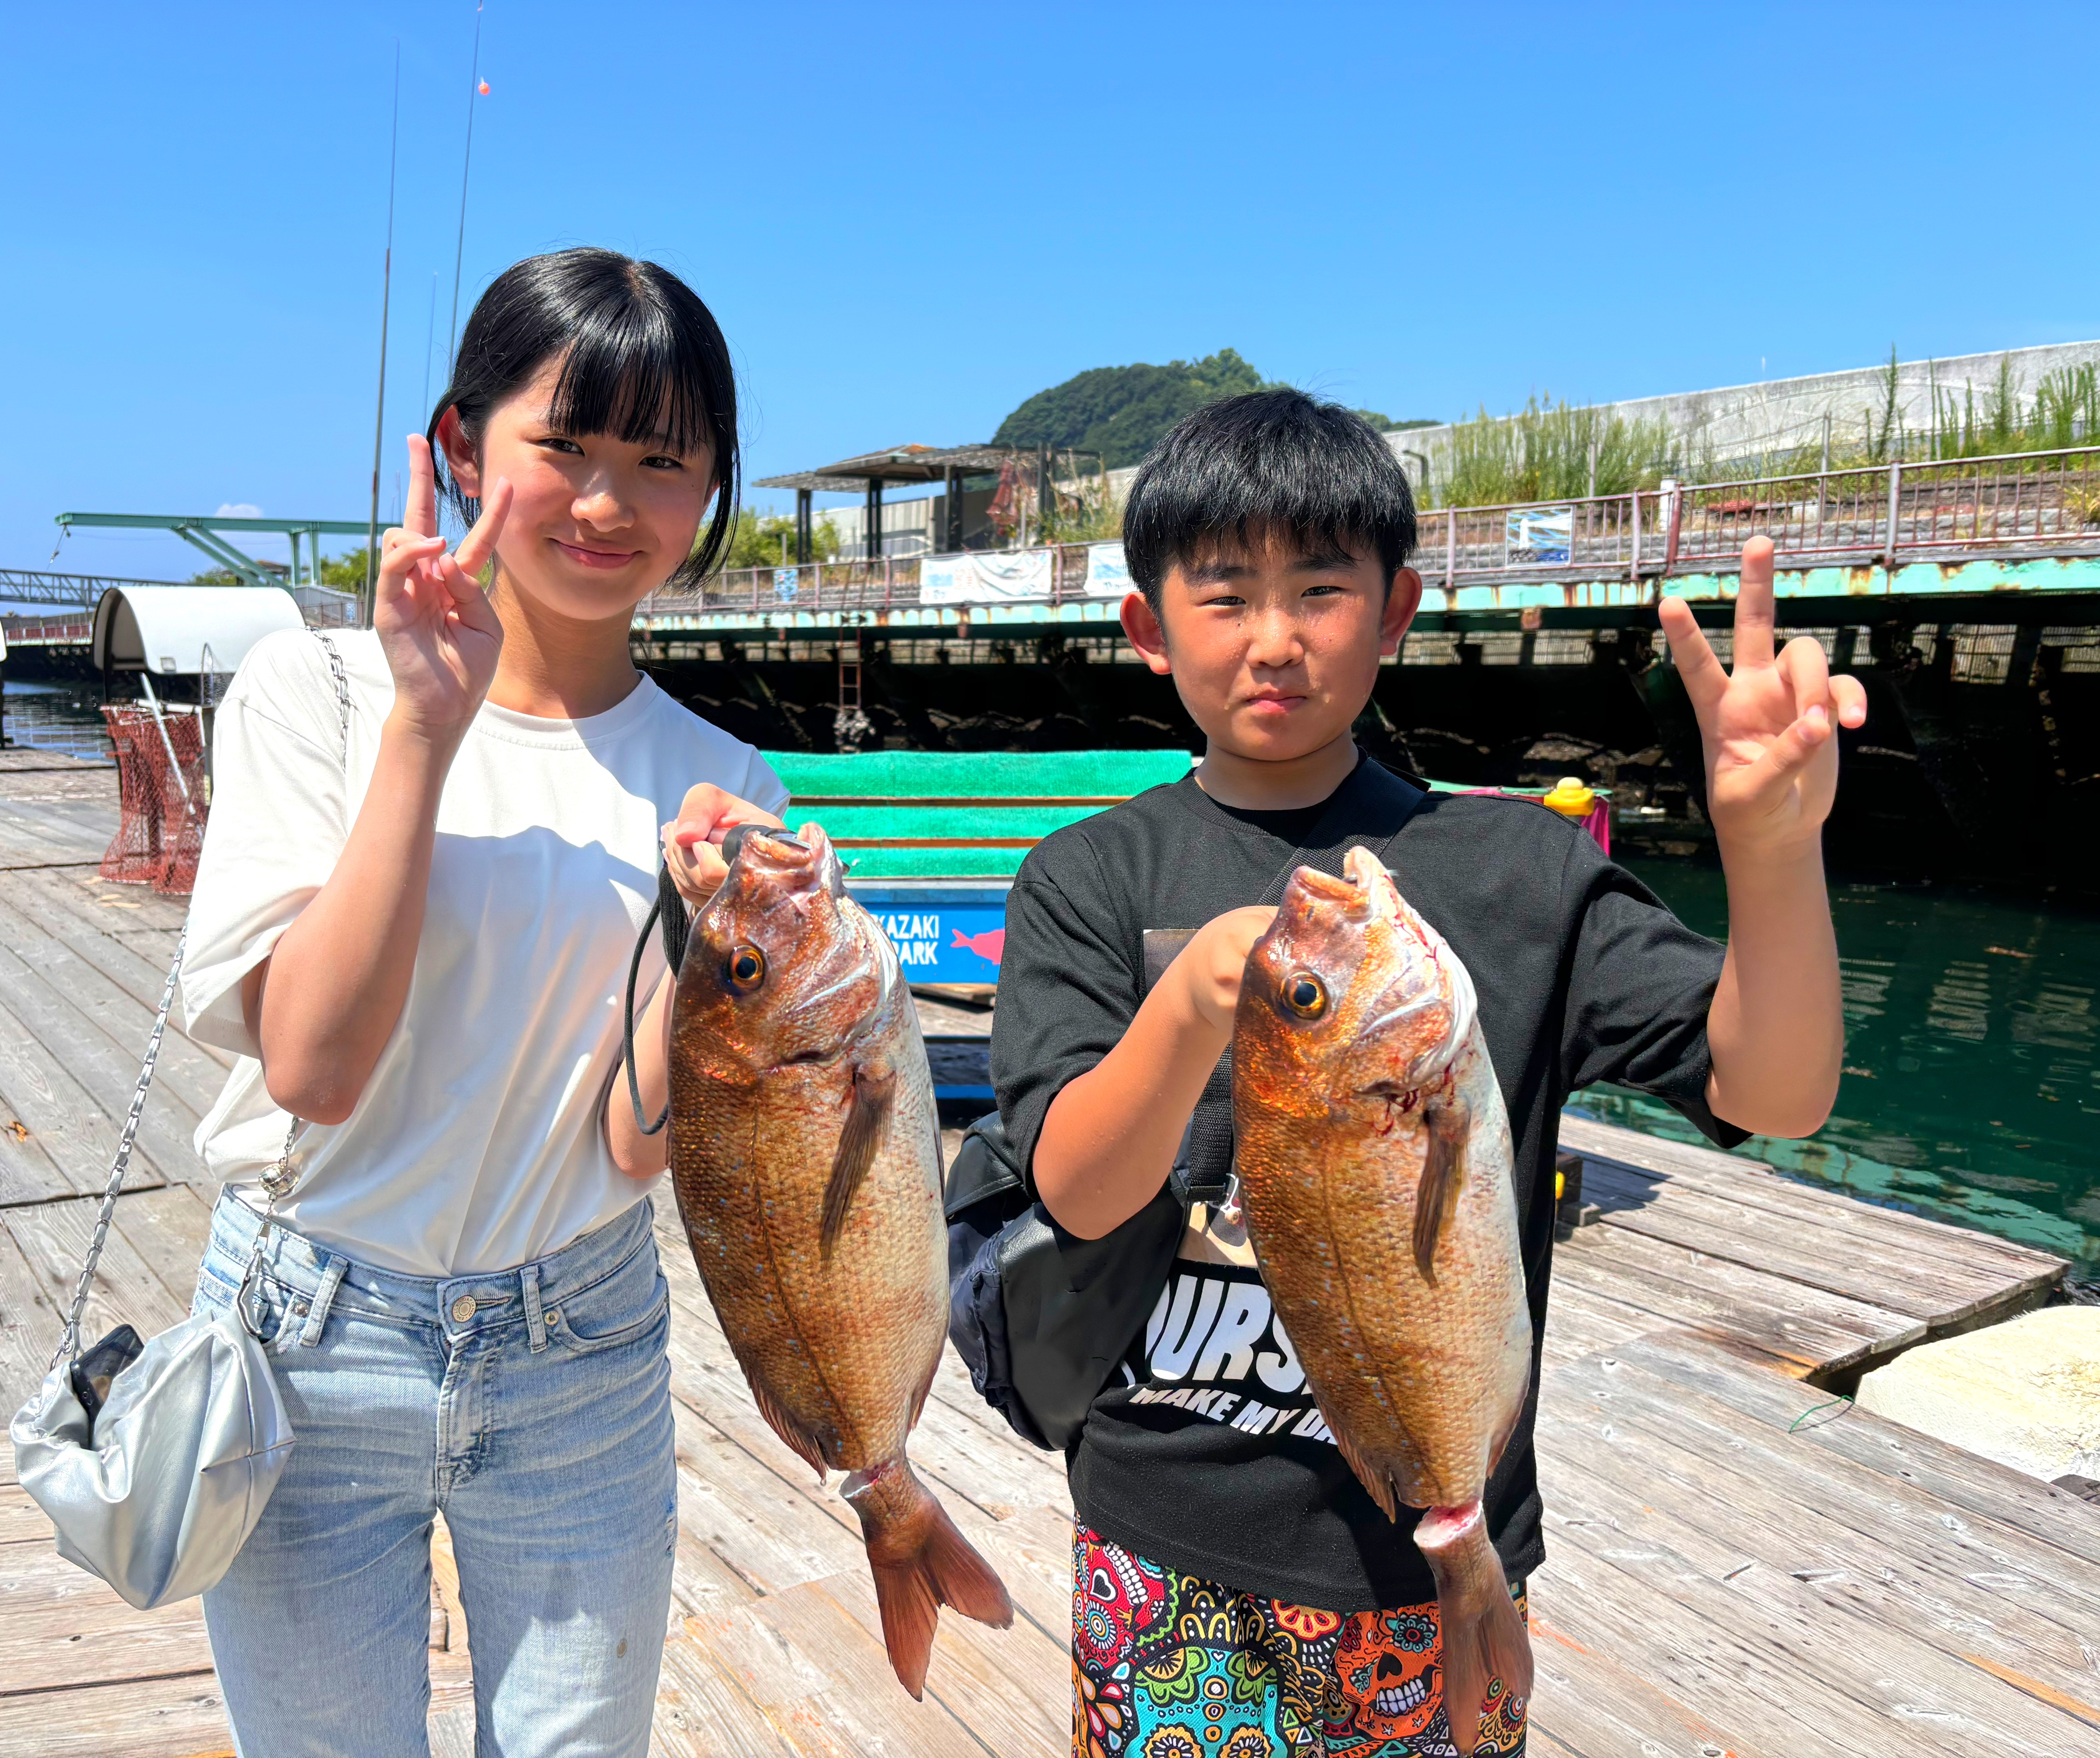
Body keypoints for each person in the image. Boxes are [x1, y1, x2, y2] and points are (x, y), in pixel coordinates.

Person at [989, 391, 1863, 1758]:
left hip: (1438, 1545)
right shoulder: (1091, 879)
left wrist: (1769, 846)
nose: (1275, 637)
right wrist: (1197, 1004)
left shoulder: (1516, 874)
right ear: (1149, 630)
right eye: (1224, 596)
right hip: (1169, 1530)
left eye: (1321, 588)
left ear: (1395, 612)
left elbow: (1778, 1090)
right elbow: (1076, 1189)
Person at [176, 249, 785, 1757]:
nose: (607, 500)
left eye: (661, 461)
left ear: (708, 490)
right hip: (309, 1334)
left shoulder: (724, 780)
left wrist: (726, 938)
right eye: (562, 445)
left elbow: (641, 1143)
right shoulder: (313, 695)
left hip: (580, 1342)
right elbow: (312, 1065)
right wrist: (424, 726)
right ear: (459, 449)